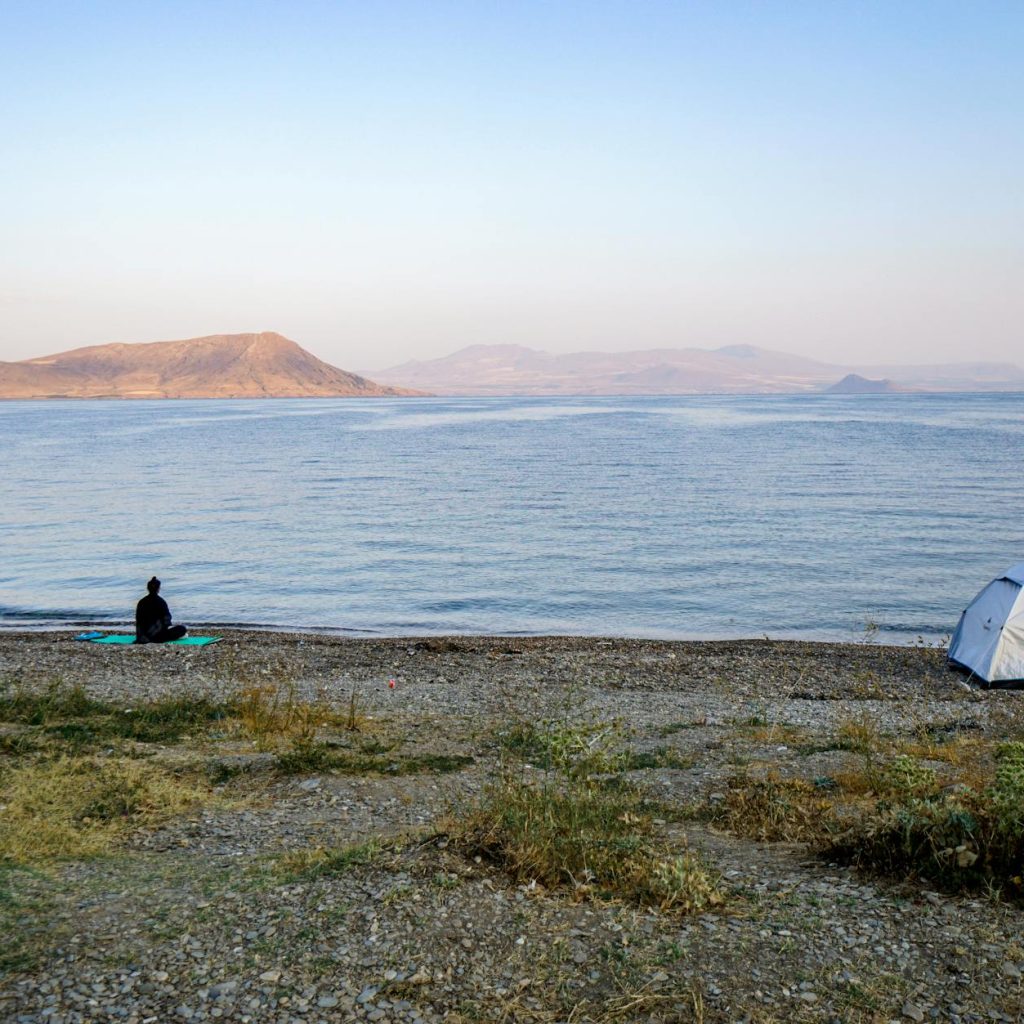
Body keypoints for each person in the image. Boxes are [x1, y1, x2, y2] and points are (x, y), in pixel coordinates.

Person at [134, 577, 187, 644]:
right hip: (157, 636)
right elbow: (167, 619)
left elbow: (138, 619)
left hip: (141, 635)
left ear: (148, 588)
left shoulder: (141, 602)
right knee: (182, 629)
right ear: (158, 589)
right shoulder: (161, 602)